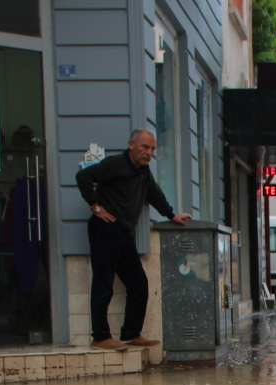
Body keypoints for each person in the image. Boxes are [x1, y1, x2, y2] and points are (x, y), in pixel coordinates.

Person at [75, 128, 190, 350]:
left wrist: (172, 215)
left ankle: (131, 333)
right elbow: (83, 177)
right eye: (145, 147)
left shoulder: (144, 171)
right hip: (104, 228)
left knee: (139, 283)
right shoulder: (115, 164)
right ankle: (100, 337)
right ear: (131, 144)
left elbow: (154, 194)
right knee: (103, 284)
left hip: (123, 232)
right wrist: (96, 206)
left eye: (152, 148)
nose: (149, 152)